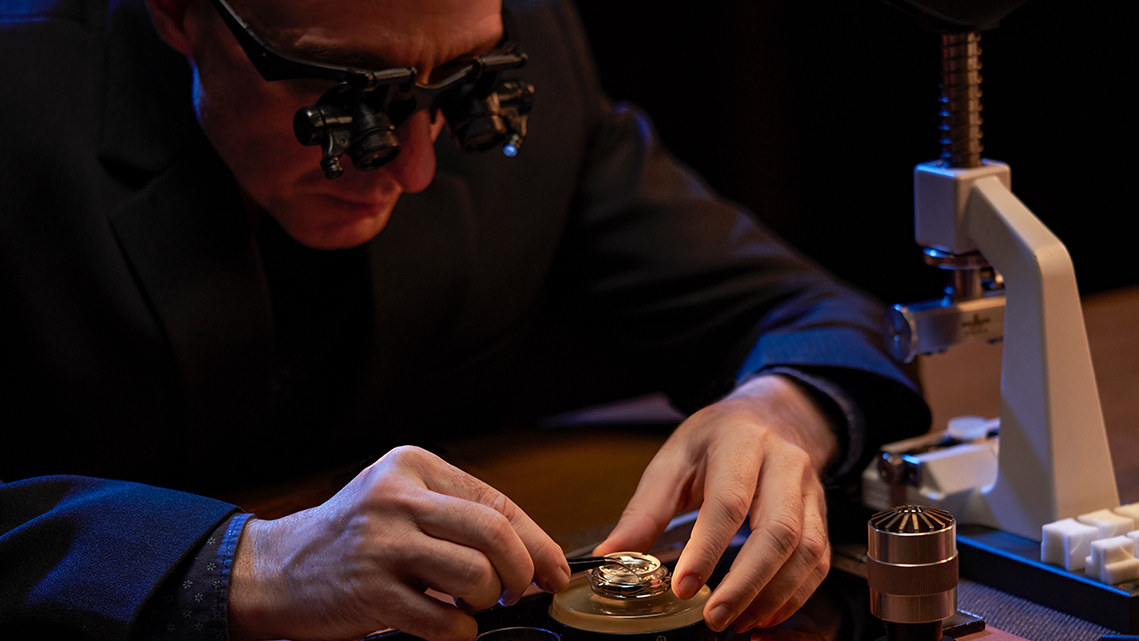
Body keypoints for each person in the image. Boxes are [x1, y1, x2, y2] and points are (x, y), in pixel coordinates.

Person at [0, 0, 929, 639]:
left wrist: (782, 410)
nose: (412, 169)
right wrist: (242, 564)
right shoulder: (21, 91)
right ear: (176, 12)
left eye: (455, 88)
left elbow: (804, 309)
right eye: (346, 95)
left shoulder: (516, 37)